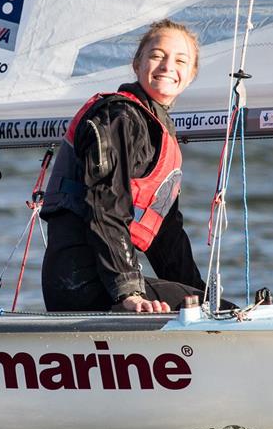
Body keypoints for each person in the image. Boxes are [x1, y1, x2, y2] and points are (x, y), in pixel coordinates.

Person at [41, 19, 236, 313]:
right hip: (80, 282)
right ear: (137, 63)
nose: (168, 66)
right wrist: (127, 292)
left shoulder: (155, 128)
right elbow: (106, 207)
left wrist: (202, 299)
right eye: (157, 55)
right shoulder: (119, 117)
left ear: (192, 74)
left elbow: (167, 239)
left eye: (181, 60)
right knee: (221, 312)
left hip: (102, 280)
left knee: (216, 309)